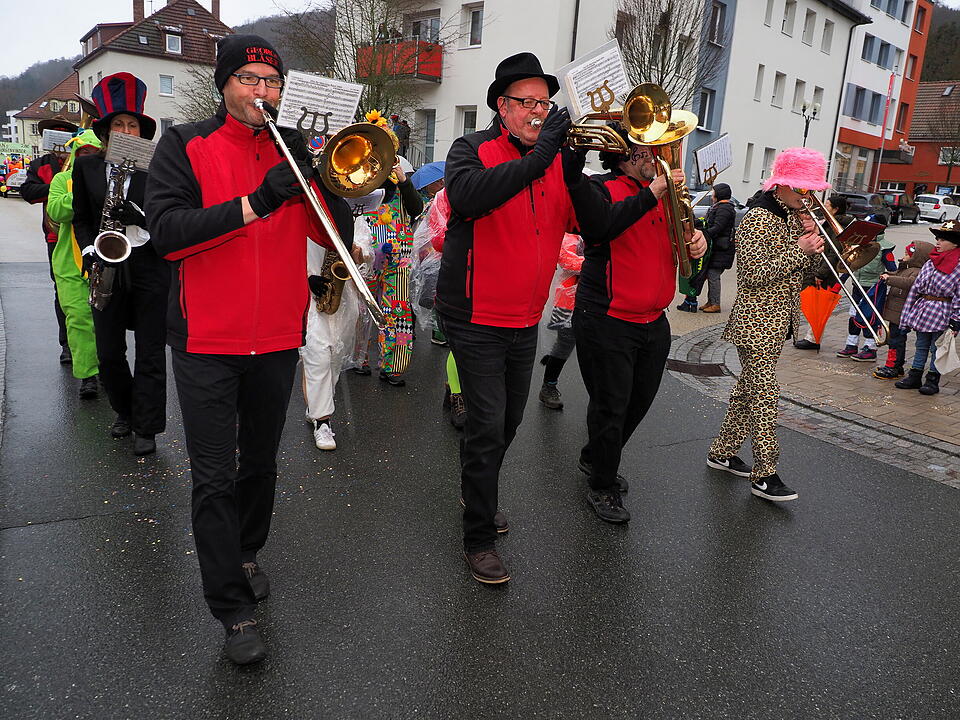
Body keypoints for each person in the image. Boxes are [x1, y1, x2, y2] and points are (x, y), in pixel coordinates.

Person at [145, 35, 354, 665]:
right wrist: (258, 200)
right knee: (213, 478)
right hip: (206, 339)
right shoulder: (185, 145)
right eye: (248, 79)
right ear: (225, 85)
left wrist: (329, 185)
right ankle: (231, 611)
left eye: (271, 80)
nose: (260, 91)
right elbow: (170, 235)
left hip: (276, 336)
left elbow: (336, 236)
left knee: (260, 463)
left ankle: (245, 552)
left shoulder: (293, 150)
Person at [437, 52, 656, 583]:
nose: (539, 111)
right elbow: (465, 198)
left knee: (508, 421)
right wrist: (545, 157)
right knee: (488, 424)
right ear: (502, 106)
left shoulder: (559, 160)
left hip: (522, 316)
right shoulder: (472, 149)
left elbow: (599, 225)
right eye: (528, 102)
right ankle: (479, 535)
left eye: (545, 102)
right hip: (473, 313)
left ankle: (477, 488)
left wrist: (636, 189)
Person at [574, 132, 706, 523]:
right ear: (626, 156)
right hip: (607, 318)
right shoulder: (601, 188)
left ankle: (595, 456)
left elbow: (684, 244)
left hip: (654, 320)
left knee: (637, 403)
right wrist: (652, 192)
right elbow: (601, 228)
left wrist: (697, 241)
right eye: (649, 151)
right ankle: (602, 485)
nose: (659, 155)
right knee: (611, 406)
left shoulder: (667, 194)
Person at [707, 147, 826, 502]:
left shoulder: (790, 216)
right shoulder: (759, 218)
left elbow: (805, 276)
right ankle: (765, 473)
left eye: (812, 190)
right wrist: (798, 250)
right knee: (764, 397)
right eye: (803, 189)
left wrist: (816, 248)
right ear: (781, 185)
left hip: (778, 321)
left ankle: (722, 452)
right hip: (755, 322)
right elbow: (754, 275)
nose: (809, 197)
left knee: (747, 392)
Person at [72, 73, 168, 456]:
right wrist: (88, 249)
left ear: (140, 131)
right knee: (109, 351)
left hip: (149, 263)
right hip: (105, 263)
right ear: (107, 131)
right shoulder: (87, 168)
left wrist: (140, 215)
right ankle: (124, 411)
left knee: (150, 351)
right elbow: (80, 217)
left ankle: (147, 426)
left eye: (133, 124)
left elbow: (168, 215)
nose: (126, 129)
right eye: (119, 124)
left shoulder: (157, 166)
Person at [301, 216, 373, 450]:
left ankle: (316, 406)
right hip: (309, 297)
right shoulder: (302, 213)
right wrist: (305, 278)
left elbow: (367, 256)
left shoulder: (353, 216)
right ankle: (322, 422)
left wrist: (357, 251)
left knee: (334, 359)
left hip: (343, 300)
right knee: (318, 354)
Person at [354, 149, 423, 386]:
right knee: (362, 309)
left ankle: (393, 366)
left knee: (398, 311)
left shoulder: (400, 179)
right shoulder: (357, 175)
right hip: (366, 255)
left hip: (399, 258)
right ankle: (358, 359)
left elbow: (416, 209)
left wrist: (404, 180)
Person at [45, 129, 103, 400]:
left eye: (93, 154)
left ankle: (108, 367)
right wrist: (82, 190)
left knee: (104, 321)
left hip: (103, 259)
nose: (87, 159)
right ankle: (87, 374)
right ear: (75, 156)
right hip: (69, 263)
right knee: (79, 319)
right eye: (82, 154)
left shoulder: (109, 178)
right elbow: (56, 211)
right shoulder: (61, 179)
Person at [21, 116, 76, 364]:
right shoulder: (41, 164)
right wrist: (57, 188)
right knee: (62, 292)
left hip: (83, 232)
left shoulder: (82, 159)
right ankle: (67, 344)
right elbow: (28, 192)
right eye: (55, 134)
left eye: (65, 134)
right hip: (55, 236)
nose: (60, 137)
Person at [895, 219, 960, 395]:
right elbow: (916, 288)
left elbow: (959, 295)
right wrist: (907, 314)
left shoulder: (958, 265)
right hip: (924, 309)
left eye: (943, 240)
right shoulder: (931, 262)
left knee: (937, 347)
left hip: (942, 310)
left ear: (955, 244)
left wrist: (956, 320)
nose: (938, 242)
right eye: (938, 238)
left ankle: (932, 379)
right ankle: (914, 376)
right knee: (921, 344)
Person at [794, 194, 854, 351]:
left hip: (826, 271)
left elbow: (833, 253)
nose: (824, 207)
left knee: (817, 305)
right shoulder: (830, 223)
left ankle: (813, 339)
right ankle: (812, 337)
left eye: (827, 205)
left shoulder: (836, 226)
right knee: (815, 304)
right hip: (824, 269)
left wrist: (820, 274)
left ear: (835, 209)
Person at [835, 214, 896, 362]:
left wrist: (890, 276)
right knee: (854, 316)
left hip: (874, 287)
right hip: (858, 285)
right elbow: (851, 266)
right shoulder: (861, 244)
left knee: (870, 317)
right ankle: (851, 344)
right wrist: (840, 282)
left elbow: (892, 268)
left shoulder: (885, 248)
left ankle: (870, 347)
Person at [873, 241, 933, 379]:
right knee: (895, 338)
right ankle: (896, 365)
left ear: (917, 257)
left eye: (907, 254)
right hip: (896, 312)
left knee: (896, 340)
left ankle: (892, 366)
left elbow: (909, 283)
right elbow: (898, 275)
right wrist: (889, 273)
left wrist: (890, 279)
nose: (904, 256)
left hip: (902, 313)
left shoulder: (918, 272)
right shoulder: (906, 268)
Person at [538, 232, 583, 410]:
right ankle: (549, 386)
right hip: (567, 302)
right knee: (564, 345)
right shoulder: (572, 233)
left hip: (597, 301)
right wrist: (599, 263)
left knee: (597, 348)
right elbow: (565, 258)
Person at [698, 183, 736, 313]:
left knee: (713, 275)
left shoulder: (724, 208)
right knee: (711, 274)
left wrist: (705, 234)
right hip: (718, 247)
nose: (712, 195)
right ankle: (711, 301)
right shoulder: (720, 207)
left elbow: (718, 227)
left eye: (714, 192)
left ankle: (715, 303)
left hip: (722, 248)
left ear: (719, 194)